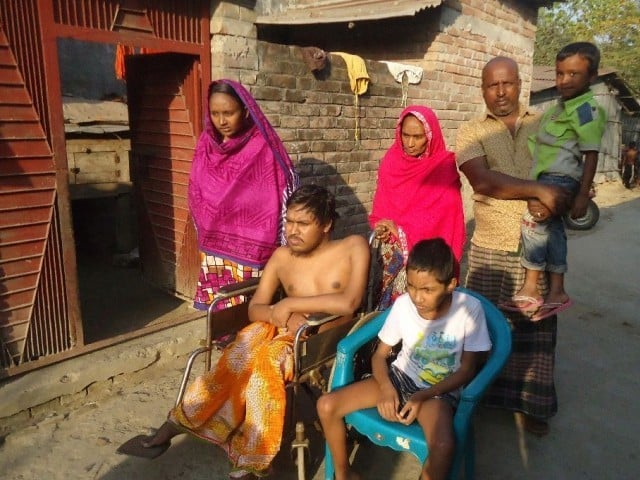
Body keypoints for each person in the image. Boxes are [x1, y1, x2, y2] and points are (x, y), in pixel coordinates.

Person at [134, 185, 370, 479]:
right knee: (238, 351)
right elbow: (255, 307)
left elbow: (351, 301)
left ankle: (255, 458)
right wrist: (278, 312)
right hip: (280, 326)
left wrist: (291, 303)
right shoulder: (283, 257)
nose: (292, 231)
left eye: (303, 224)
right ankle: (181, 420)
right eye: (289, 222)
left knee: (265, 366)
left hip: (320, 339)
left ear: (325, 224)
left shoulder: (353, 247)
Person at [455, 56, 571, 435]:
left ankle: (532, 404)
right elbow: (483, 181)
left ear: (520, 84)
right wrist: (538, 189)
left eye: (507, 83)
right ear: (483, 89)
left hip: (534, 248)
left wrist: (557, 193)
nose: (500, 92)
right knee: (481, 329)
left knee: (536, 334)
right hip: (489, 246)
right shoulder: (471, 131)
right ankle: (477, 397)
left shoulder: (547, 124)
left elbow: (563, 173)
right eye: (492, 85)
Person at [317, 238, 491, 480]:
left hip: (439, 391)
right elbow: (380, 356)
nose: (418, 297)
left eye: (427, 290)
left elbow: (467, 370)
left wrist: (423, 396)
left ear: (451, 284)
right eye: (411, 287)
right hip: (400, 378)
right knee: (326, 405)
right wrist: (387, 388)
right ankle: (345, 474)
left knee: (443, 446)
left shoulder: (469, 310)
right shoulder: (403, 306)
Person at [504, 42, 606, 321]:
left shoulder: (586, 110)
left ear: (592, 77)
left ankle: (531, 286)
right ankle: (557, 289)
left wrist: (582, 195)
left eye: (574, 74)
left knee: (533, 219)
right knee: (554, 229)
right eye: (560, 74)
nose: (564, 80)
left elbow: (591, 154)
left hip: (560, 179)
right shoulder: (558, 109)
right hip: (548, 176)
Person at [188, 79, 298, 311]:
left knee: (248, 309)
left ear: (246, 111)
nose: (221, 121)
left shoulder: (263, 146)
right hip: (215, 245)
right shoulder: (205, 145)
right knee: (219, 308)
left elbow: (286, 187)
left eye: (229, 113)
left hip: (255, 246)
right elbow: (196, 186)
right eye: (215, 113)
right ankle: (225, 343)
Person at [369, 105, 466, 309]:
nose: (410, 143)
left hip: (426, 256)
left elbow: (446, 216)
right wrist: (384, 227)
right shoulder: (391, 161)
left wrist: (402, 230)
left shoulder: (443, 166)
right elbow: (382, 207)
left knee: (422, 305)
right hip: (391, 249)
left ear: (430, 136)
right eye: (405, 135)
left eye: (418, 137)